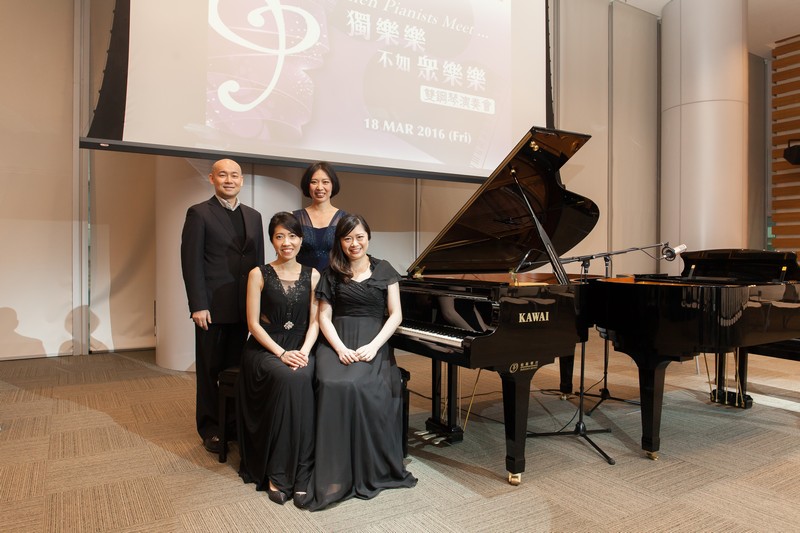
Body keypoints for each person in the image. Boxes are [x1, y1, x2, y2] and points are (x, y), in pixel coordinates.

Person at [308, 213, 416, 511]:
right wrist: (340, 348)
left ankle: (365, 465)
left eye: (359, 237)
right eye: (347, 238)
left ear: (368, 237)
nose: (354, 243)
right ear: (340, 242)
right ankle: (336, 468)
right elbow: (323, 317)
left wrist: (373, 346)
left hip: (373, 341)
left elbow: (396, 315)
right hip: (337, 340)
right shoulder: (332, 272)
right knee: (332, 382)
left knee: (357, 383)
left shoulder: (385, 269)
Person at [180, 158, 265, 454]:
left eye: (235, 175)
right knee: (209, 370)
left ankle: (231, 424)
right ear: (212, 179)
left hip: (244, 309)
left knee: (237, 369)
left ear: (242, 180)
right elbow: (191, 263)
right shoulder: (199, 213)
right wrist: (198, 304)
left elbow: (259, 267)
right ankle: (210, 427)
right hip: (212, 309)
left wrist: (261, 304)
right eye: (223, 175)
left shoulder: (254, 216)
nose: (229, 180)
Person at [237, 212, 319, 508]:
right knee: (288, 376)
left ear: (301, 240)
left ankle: (302, 471)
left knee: (303, 375)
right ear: (272, 240)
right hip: (266, 349)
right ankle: (280, 473)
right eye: (280, 236)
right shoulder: (258, 273)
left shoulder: (313, 275)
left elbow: (315, 322)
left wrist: (305, 352)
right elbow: (253, 325)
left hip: (301, 346)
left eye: (293, 236)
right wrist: (282, 353)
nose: (287, 242)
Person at [293, 161, 347, 271]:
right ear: (307, 185)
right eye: (314, 182)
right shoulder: (293, 218)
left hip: (334, 283)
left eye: (325, 182)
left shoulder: (345, 219)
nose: (319, 187)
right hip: (302, 283)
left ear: (333, 185)